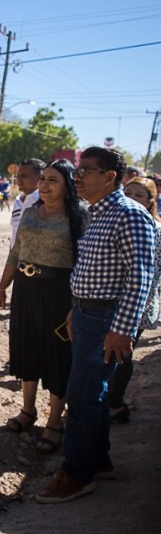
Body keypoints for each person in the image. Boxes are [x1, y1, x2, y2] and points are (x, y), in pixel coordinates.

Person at [36, 147, 155, 504]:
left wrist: (122, 329)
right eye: (78, 169)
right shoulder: (99, 213)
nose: (79, 176)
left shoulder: (129, 215)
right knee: (93, 394)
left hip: (107, 320)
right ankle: (98, 462)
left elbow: (140, 278)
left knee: (83, 396)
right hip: (89, 315)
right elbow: (93, 271)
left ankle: (76, 474)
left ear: (109, 177)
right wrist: (76, 309)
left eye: (87, 170)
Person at [0, 159, 87, 454]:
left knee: (58, 355)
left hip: (60, 293)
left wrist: (78, 303)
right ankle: (28, 410)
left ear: (68, 185)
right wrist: (1, 288)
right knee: (27, 347)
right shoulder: (31, 212)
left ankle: (55, 421)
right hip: (26, 288)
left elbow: (84, 262)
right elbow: (15, 252)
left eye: (53, 180)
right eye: (43, 179)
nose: (44, 185)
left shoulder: (80, 216)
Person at [107, 177, 161, 424]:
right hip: (112, 300)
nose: (131, 198)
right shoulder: (117, 220)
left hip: (138, 302)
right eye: (127, 192)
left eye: (138, 195)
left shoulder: (156, 229)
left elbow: (150, 274)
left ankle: (115, 403)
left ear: (151, 200)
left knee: (123, 354)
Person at [10, 158, 45, 247]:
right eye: (18, 175)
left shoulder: (44, 202)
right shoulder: (18, 201)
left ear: (40, 177)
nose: (19, 180)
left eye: (24, 176)